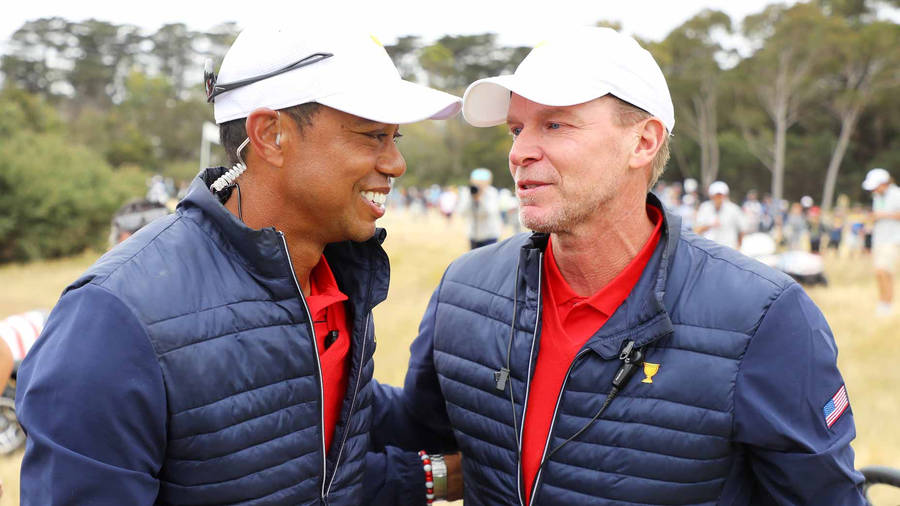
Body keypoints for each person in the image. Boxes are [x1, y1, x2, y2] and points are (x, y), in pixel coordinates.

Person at [398, 27, 865, 505]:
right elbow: (408, 434)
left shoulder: (763, 317)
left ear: (643, 142)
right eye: (517, 129)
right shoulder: (466, 287)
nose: (519, 153)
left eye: (555, 124)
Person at [16, 24, 463, 505]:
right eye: (373, 135)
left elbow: (309, 464)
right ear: (270, 135)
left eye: (396, 138)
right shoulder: (113, 317)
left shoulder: (338, 278)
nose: (396, 163)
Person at [863, 167, 900, 316]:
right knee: (879, 273)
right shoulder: (877, 198)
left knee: (884, 271)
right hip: (879, 238)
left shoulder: (897, 194)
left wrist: (882, 215)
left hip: (892, 239)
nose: (873, 190)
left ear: (883, 183)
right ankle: (883, 302)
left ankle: (887, 303)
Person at [458, 168, 503, 249]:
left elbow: (489, 212)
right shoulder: (467, 193)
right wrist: (471, 198)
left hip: (490, 235)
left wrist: (480, 199)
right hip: (473, 235)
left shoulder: (492, 193)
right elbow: (462, 212)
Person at [695, 180, 744, 249]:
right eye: (716, 195)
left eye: (720, 195)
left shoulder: (734, 209)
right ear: (711, 196)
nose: (718, 198)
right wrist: (710, 225)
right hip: (708, 249)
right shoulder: (704, 207)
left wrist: (738, 247)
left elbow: (741, 230)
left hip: (728, 249)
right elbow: (697, 230)